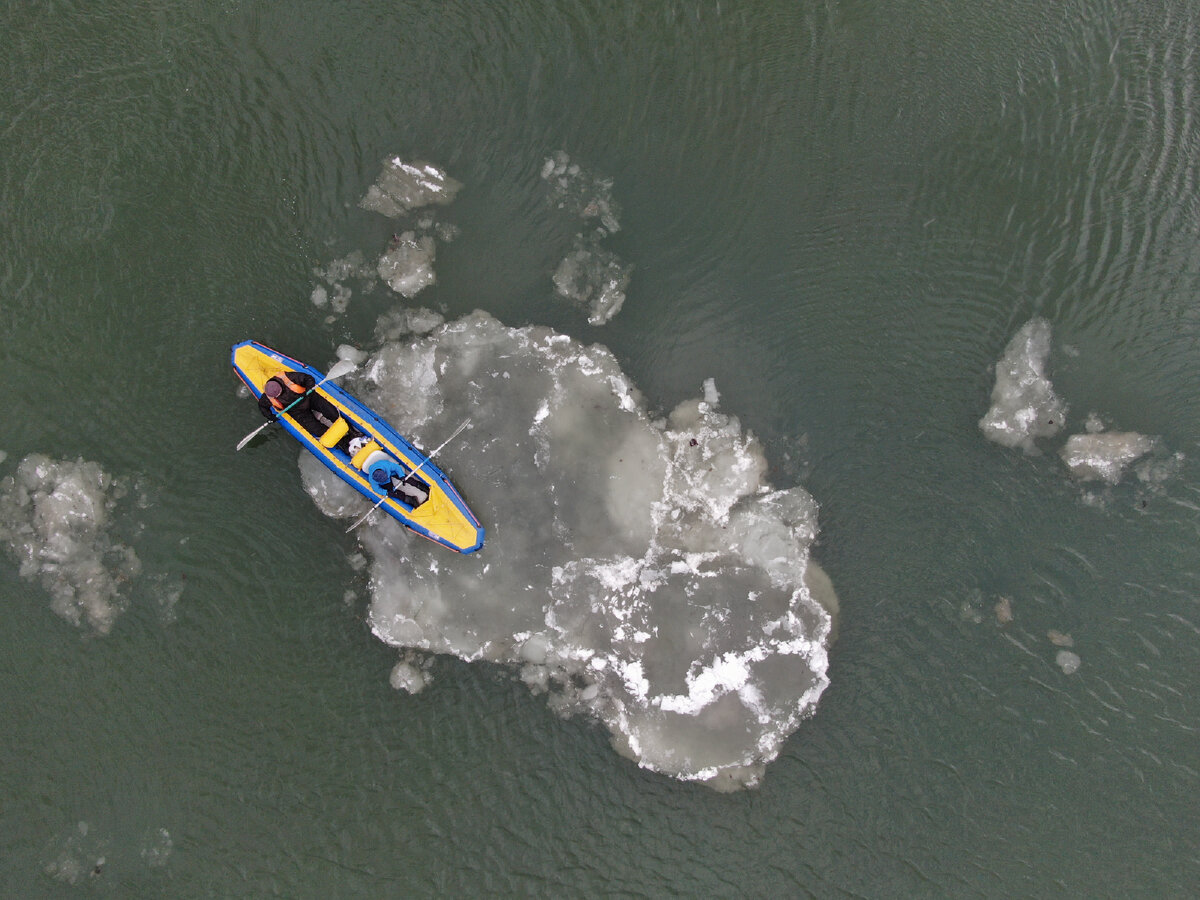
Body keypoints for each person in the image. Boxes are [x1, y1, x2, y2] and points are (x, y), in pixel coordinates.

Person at [258, 370, 362, 452]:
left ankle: (352, 431)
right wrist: (270, 416)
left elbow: (308, 378)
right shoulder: (267, 397)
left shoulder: (289, 377)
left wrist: (308, 389)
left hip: (309, 398)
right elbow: (262, 406)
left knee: (332, 412)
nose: (278, 396)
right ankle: (343, 442)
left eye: (279, 394)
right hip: (297, 412)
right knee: (316, 429)